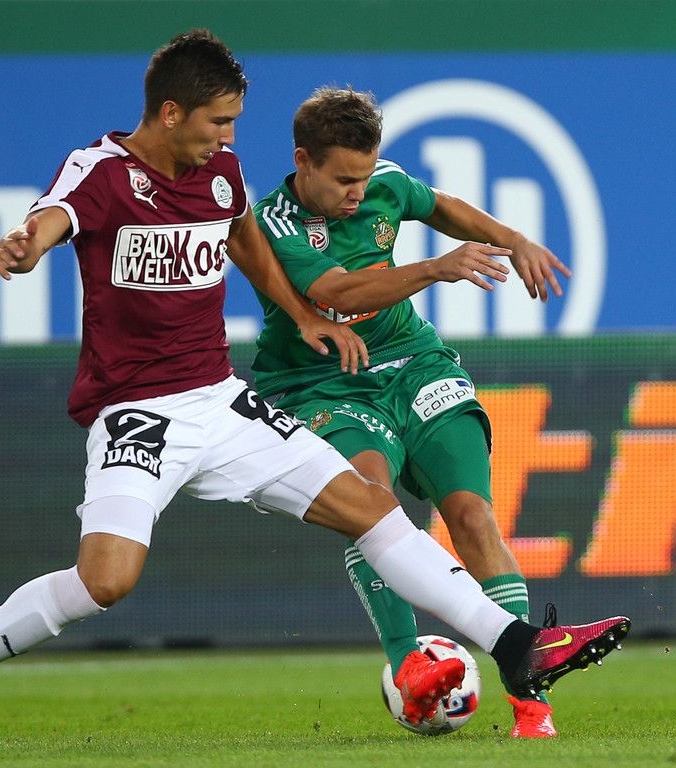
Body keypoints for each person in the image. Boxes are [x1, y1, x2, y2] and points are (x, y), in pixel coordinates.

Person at [0, 32, 629, 750]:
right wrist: (27, 244)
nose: (229, 137)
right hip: (138, 413)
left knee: (372, 507)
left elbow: (242, 239)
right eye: (219, 121)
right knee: (105, 582)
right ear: (172, 112)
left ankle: (518, 648)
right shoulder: (101, 171)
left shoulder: (222, 174)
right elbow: (53, 216)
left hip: (222, 402)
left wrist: (301, 315)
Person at [252, 87, 582, 737]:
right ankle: (410, 665)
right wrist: (435, 268)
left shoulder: (384, 183)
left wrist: (511, 238)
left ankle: (531, 702)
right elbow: (338, 291)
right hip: (324, 383)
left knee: (472, 515)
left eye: (364, 177)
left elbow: (439, 206)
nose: (357, 193)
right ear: (303, 161)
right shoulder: (273, 223)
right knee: (371, 504)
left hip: (415, 365)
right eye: (343, 180)